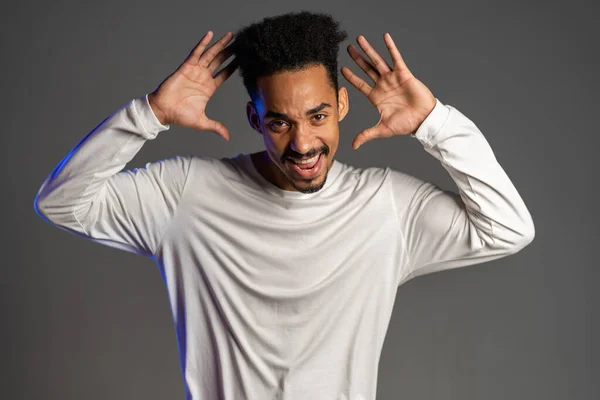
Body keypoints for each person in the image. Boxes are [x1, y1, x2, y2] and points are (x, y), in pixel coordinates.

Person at [34, 11, 534, 400]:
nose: (303, 143)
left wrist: (434, 123)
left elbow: (508, 229)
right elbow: (63, 202)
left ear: (341, 105)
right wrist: (150, 114)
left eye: (318, 115)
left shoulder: (385, 208)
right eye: (279, 122)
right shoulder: (187, 195)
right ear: (254, 118)